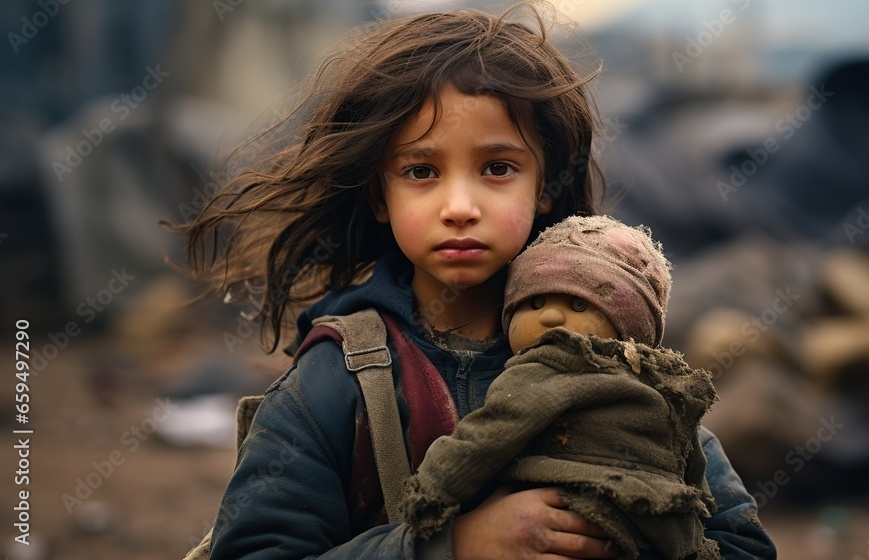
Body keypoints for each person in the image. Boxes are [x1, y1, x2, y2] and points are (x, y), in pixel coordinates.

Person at [174, 3, 777, 559]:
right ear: (379, 196)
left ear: (543, 185)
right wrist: (454, 546)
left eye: (497, 168)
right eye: (421, 170)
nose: (459, 204)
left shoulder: (616, 363)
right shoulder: (337, 384)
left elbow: (741, 543)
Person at [405, 215, 721, 560]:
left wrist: (432, 490)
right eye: (536, 303)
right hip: (665, 521)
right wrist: (698, 504)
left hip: (573, 506)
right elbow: (688, 455)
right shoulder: (664, 381)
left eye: (578, 305)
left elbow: (489, 435)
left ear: (630, 323)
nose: (551, 319)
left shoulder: (551, 365)